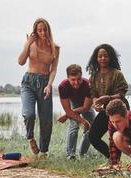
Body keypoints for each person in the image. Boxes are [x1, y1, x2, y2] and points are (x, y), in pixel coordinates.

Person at [18, 18, 60, 158]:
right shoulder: (30, 43)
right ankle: (30, 138)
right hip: (28, 82)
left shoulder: (55, 48)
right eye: (39, 30)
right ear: (35, 31)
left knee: (46, 119)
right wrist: (27, 44)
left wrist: (49, 85)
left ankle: (43, 151)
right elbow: (21, 61)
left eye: (45, 29)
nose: (42, 32)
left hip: (45, 83)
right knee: (29, 114)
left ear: (48, 29)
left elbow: (53, 69)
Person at [86, 44, 129, 158]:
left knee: (117, 136)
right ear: (96, 58)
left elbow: (121, 93)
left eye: (105, 56)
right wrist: (96, 103)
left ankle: (126, 161)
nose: (102, 58)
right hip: (106, 110)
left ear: (110, 57)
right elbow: (93, 94)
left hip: (120, 109)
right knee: (93, 136)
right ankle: (112, 159)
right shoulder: (94, 76)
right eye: (100, 56)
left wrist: (108, 98)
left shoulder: (117, 74)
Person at [57, 64, 96, 159]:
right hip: (73, 103)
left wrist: (66, 115)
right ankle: (70, 155)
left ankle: (82, 153)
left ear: (82, 75)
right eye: (73, 80)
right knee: (74, 126)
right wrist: (82, 121)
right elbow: (68, 110)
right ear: (68, 78)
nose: (76, 82)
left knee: (92, 128)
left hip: (86, 103)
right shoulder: (62, 86)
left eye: (79, 79)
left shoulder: (88, 85)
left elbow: (85, 107)